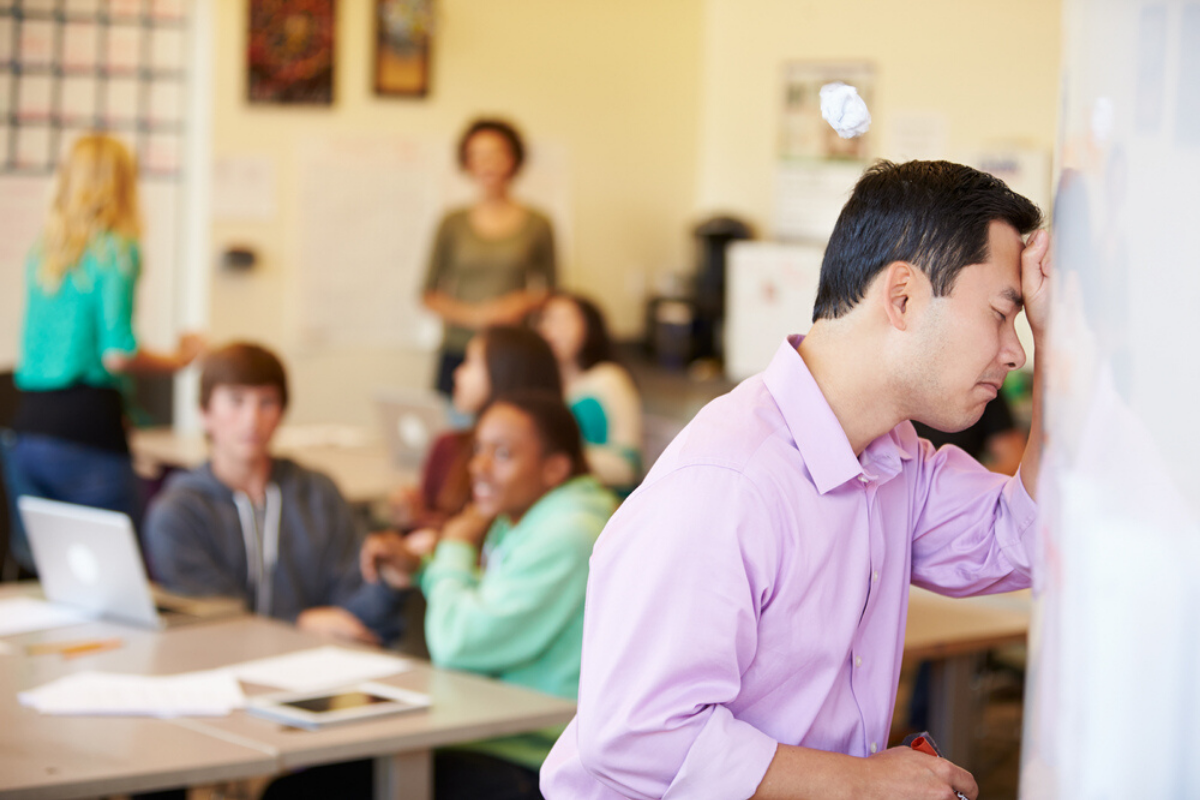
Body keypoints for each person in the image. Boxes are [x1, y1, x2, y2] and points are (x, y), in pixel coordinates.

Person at [541, 160, 1051, 799]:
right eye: (1004, 315)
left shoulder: (892, 459)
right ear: (903, 298)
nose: (1016, 351)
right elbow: (636, 733)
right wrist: (864, 784)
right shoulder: (730, 482)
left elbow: (1026, 538)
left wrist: (1061, 349)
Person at [5, 134, 202, 571]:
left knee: (52, 572)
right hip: (85, 430)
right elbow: (118, 353)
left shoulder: (45, 251)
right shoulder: (117, 248)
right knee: (116, 570)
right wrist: (180, 360)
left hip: (27, 431)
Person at [143, 343, 404, 645]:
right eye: (236, 401)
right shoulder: (179, 512)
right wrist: (300, 623)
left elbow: (353, 610)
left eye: (266, 402)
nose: (252, 419)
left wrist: (390, 584)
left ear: (281, 412)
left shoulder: (317, 493)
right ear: (204, 413)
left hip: (318, 668)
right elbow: (216, 619)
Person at [422, 118, 557, 396]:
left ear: (514, 160)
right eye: (478, 155)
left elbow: (553, 293)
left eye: (496, 153)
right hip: (459, 350)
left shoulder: (539, 224)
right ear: (467, 163)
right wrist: (477, 316)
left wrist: (520, 303)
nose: (488, 163)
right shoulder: (451, 223)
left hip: (515, 352)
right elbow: (428, 294)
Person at [389, 325, 562, 532]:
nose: (457, 373)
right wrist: (413, 514)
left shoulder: (537, 469)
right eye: (480, 449)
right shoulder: (448, 444)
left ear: (504, 373)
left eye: (470, 363)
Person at [536, 293, 643, 492]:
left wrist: (553, 462)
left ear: (589, 327)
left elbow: (628, 466)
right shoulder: (541, 388)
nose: (553, 330)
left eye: (565, 320)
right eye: (547, 319)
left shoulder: (611, 379)